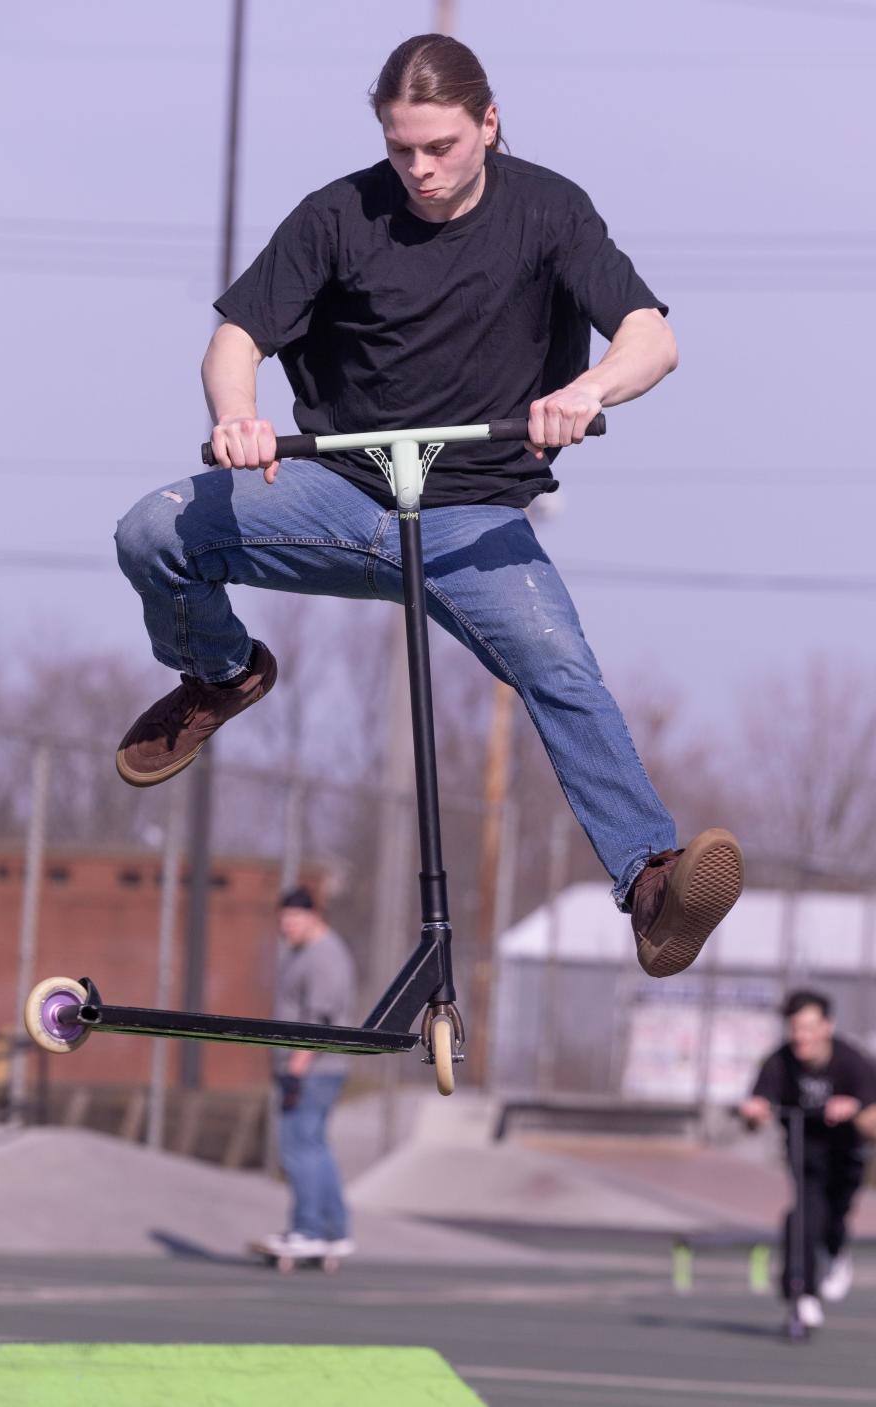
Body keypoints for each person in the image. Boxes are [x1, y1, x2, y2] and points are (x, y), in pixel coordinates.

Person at [114, 33, 744, 978]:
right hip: (330, 490)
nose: (421, 169)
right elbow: (237, 336)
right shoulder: (337, 214)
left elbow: (652, 338)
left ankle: (651, 884)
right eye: (402, 148)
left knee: (559, 664)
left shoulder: (550, 210)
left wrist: (587, 391)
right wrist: (237, 415)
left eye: (441, 147)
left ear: (488, 124)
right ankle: (220, 673)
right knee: (155, 529)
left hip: (471, 513)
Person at [740, 990, 876, 1329]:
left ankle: (835, 1251)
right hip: (806, 1155)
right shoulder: (778, 1062)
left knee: (834, 1218)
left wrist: (854, 1111)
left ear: (826, 1027)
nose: (801, 1036)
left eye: (809, 1027)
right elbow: (756, 1113)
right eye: (795, 1028)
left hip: (846, 1155)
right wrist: (754, 1113)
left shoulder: (853, 1061)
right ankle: (803, 1295)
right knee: (803, 1219)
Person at [257, 885, 357, 1261]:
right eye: (282, 919)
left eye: (293, 918)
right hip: (309, 1068)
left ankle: (308, 1229)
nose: (286, 926)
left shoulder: (323, 957)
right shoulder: (301, 954)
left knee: (298, 1148)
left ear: (315, 915)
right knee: (314, 1147)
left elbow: (320, 1019)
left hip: (314, 1069)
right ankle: (334, 1231)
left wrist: (297, 1066)